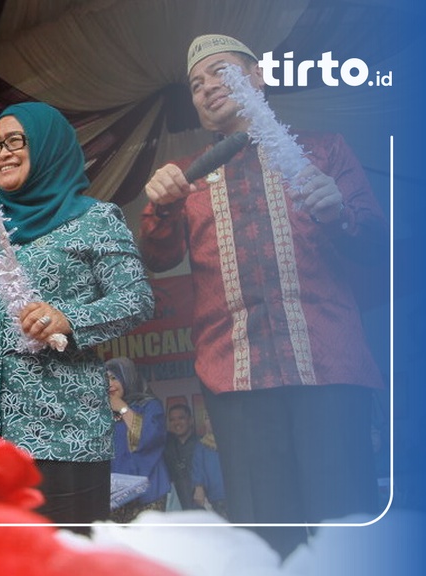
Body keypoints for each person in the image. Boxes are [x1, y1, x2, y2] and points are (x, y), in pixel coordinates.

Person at [140, 34, 386, 556]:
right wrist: (159, 206)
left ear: (259, 77)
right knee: (266, 540)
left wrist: (339, 210)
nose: (207, 89)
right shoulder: (189, 175)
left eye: (222, 73)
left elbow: (377, 244)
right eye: (196, 84)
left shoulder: (323, 150)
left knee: (344, 526)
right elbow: (157, 258)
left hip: (328, 365)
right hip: (236, 375)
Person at [0, 101, 154, 525]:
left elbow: (136, 299)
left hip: (63, 431)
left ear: (48, 146)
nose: (1, 153)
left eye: (16, 141)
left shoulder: (95, 220)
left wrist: (69, 318)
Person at [105, 357, 170, 522]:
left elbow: (150, 438)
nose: (109, 384)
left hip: (149, 490)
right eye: (105, 379)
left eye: (114, 378)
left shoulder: (149, 405)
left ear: (127, 377)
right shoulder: (102, 412)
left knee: (149, 543)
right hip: (115, 495)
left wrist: (122, 407)